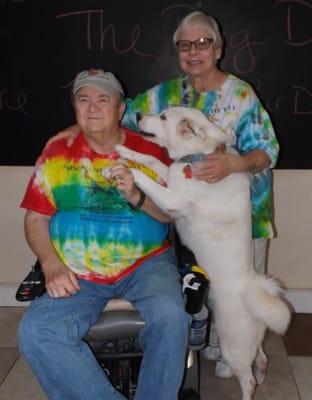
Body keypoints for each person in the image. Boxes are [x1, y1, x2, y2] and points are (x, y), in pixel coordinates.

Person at [46, 11, 279, 379]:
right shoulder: (166, 95)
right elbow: (116, 113)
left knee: (243, 293)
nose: (194, 52)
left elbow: (268, 150)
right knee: (201, 283)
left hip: (240, 216)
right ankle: (208, 332)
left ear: (217, 49)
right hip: (189, 215)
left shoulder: (241, 95)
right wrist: (78, 125)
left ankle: (246, 349)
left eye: (202, 43)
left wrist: (231, 165)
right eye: (185, 45)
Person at [18, 69, 190, 400]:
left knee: (171, 317)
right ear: (75, 108)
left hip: (146, 263)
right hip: (77, 268)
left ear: (120, 109)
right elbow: (36, 218)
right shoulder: (56, 154)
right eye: (84, 100)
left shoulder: (152, 152)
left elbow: (172, 214)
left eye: (102, 99)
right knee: (35, 331)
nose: (92, 107)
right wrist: (51, 263)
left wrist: (137, 196)